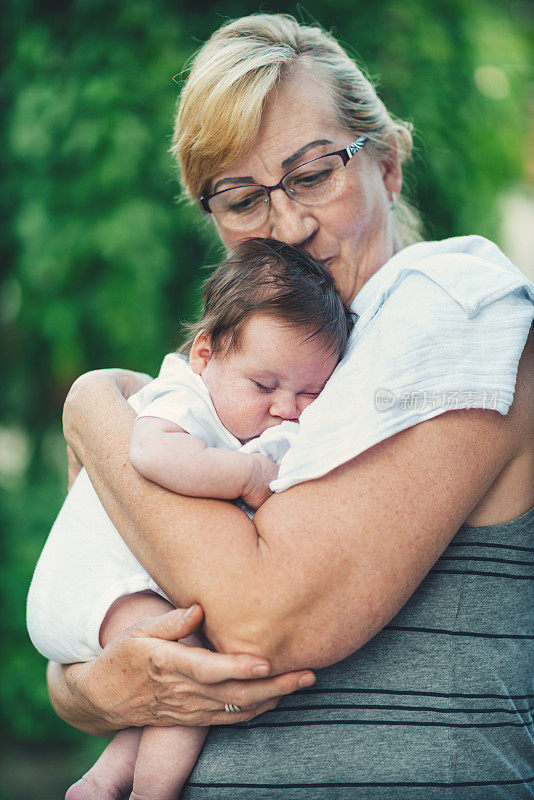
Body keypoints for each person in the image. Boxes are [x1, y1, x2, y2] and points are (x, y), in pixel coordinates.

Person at [42, 13, 534, 799]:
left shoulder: (455, 304)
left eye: (313, 176)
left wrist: (93, 407)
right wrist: (98, 691)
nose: (290, 228)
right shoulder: (242, 387)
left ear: (389, 163)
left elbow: (264, 623)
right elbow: (86, 619)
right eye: (241, 200)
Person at [27, 238, 354, 800]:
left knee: (167, 689)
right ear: (204, 354)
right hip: (97, 583)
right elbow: (152, 455)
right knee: (189, 672)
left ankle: (101, 783)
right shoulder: (183, 398)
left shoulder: (264, 423)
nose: (285, 407)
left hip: (128, 589)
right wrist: (248, 477)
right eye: (264, 385)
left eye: (310, 392)